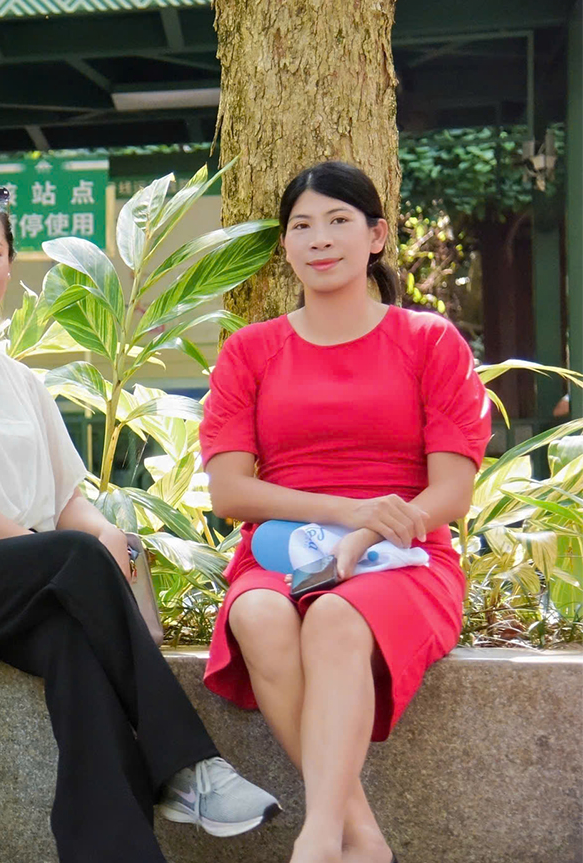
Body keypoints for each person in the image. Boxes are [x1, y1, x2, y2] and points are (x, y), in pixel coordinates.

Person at [0, 184, 280, 863]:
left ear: (9, 264)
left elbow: (66, 498)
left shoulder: (21, 381)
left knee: (75, 645)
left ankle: (116, 852)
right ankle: (188, 765)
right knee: (70, 558)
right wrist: (57, 555)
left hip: (23, 581)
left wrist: (106, 539)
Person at [200, 161, 492, 863]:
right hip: (282, 551)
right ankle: (361, 838)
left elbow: (451, 494)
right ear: (286, 245)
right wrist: (346, 513)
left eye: (338, 221)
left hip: (404, 555)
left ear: (377, 236)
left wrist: (368, 534)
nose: (320, 239)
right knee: (258, 614)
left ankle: (319, 841)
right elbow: (229, 492)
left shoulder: (430, 342)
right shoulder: (250, 351)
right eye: (302, 226)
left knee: (336, 615)